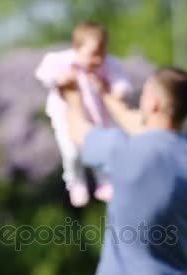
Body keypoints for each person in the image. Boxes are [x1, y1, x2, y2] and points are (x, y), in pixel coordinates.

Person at [59, 67, 187, 275]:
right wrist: (105, 95)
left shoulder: (126, 151)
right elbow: (148, 129)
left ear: (153, 103)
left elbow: (78, 132)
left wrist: (71, 96)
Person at [35, 22, 132, 208]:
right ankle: (75, 182)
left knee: (101, 151)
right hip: (66, 118)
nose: (98, 59)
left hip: (97, 118)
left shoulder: (107, 64)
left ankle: (105, 182)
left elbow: (120, 79)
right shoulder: (63, 61)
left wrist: (118, 91)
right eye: (94, 54)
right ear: (77, 49)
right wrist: (59, 79)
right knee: (71, 153)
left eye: (102, 53)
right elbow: (43, 72)